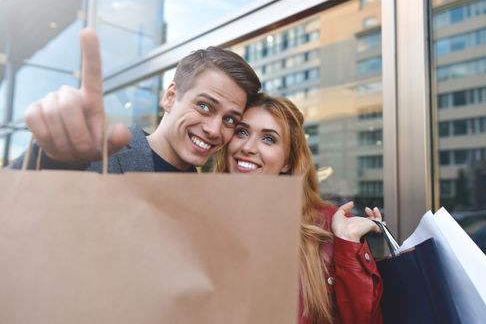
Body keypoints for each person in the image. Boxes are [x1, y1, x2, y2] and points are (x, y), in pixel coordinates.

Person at [214, 93, 383, 324]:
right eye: (242, 132)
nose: (248, 147)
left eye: (269, 139)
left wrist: (347, 244)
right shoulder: (203, 219)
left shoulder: (327, 226)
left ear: (288, 162)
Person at [11, 29, 261, 172]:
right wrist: (51, 158)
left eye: (229, 119)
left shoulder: (207, 202)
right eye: (204, 106)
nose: (214, 129)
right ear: (171, 97)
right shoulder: (100, 159)